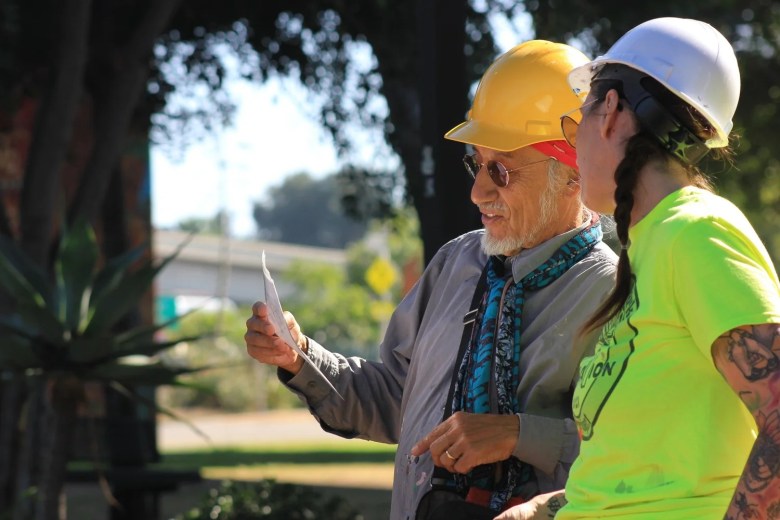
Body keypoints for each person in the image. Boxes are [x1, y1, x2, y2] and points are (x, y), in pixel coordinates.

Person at [244, 40, 617, 520]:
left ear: (572, 172)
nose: (478, 191)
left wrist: (517, 434)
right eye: (475, 164)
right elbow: (399, 400)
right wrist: (299, 358)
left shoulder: (610, 292)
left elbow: (634, 451)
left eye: (500, 170)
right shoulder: (455, 264)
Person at [496, 17, 780, 520]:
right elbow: (647, 470)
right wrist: (548, 507)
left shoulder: (696, 232)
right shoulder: (652, 244)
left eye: (574, 122)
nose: (573, 145)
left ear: (609, 112)